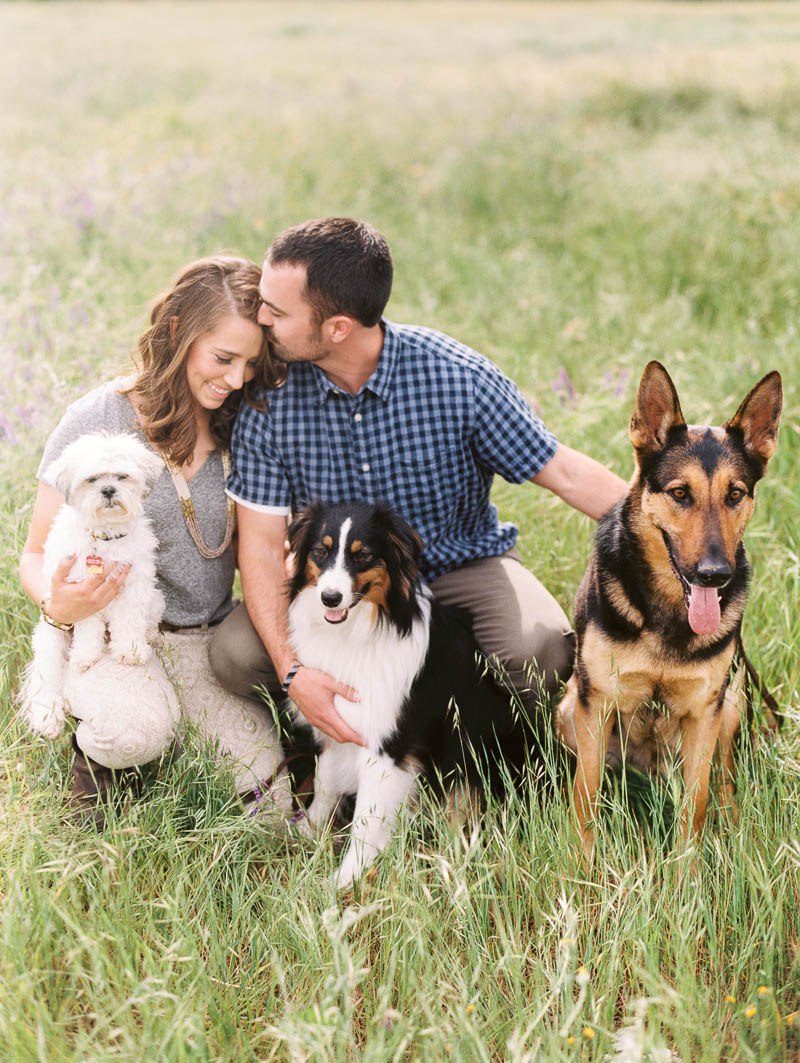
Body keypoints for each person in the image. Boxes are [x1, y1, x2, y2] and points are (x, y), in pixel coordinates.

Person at [209, 217, 628, 747]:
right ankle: (317, 750)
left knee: (538, 650)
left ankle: (489, 758)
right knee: (236, 655)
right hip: (338, 578)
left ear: (337, 327)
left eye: (277, 310)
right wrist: (293, 673)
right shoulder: (270, 397)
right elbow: (265, 545)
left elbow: (564, 472)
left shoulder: (456, 377)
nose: (260, 317)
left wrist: (677, 543)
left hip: (459, 562)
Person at [19, 255, 291, 821]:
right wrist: (57, 605)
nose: (235, 378)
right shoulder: (100, 417)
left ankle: (184, 725)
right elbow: (37, 550)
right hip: (111, 625)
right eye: (222, 358)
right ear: (176, 332)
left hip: (207, 640)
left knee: (268, 798)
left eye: (249, 363)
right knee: (130, 733)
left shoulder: (247, 423)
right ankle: (106, 766)